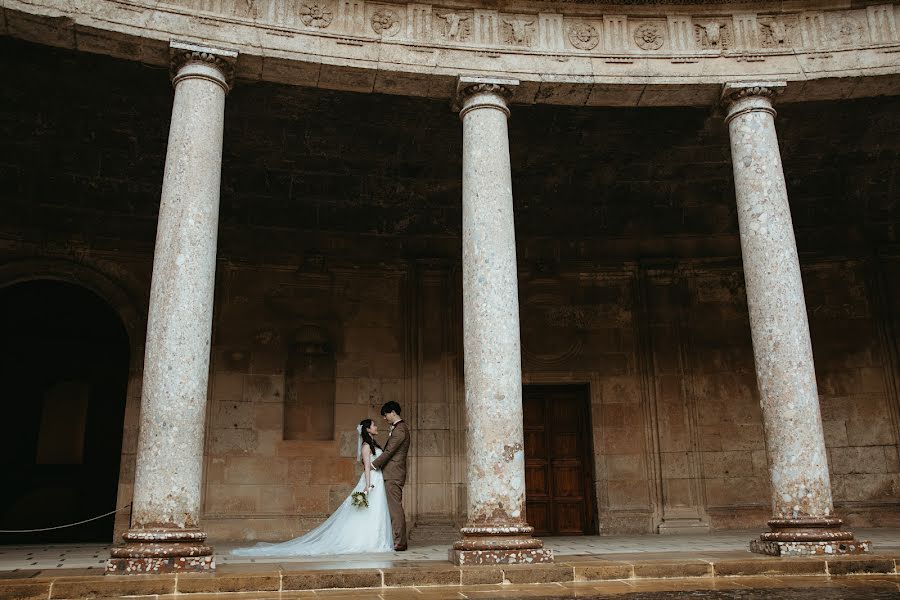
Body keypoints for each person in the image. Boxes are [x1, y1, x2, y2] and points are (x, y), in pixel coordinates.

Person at [231, 418, 393, 556]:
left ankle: (374, 539)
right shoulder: (366, 446)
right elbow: (366, 467)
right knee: (366, 511)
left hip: (378, 480)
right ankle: (365, 541)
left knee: (375, 511)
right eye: (373, 425)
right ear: (367, 429)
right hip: (371, 480)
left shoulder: (373, 444)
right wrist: (368, 484)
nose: (376, 427)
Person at [371, 401, 410, 551]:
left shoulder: (400, 430)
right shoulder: (398, 429)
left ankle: (400, 542)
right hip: (392, 473)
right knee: (393, 507)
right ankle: (398, 539)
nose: (385, 418)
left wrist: (373, 465)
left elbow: (389, 452)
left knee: (395, 508)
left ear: (393, 412)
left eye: (385, 415)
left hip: (394, 474)